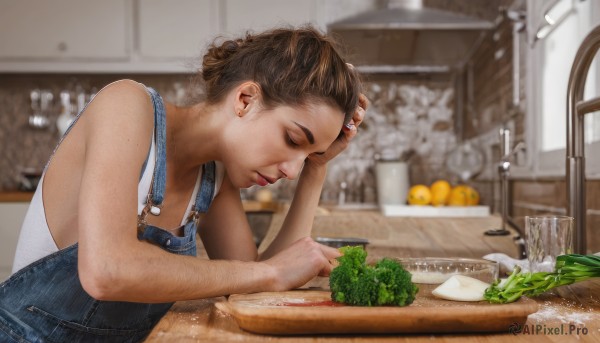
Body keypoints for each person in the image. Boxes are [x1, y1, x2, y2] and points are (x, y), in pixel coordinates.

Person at [0, 26, 366, 342]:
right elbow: (107, 270)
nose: (291, 169)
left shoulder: (216, 174)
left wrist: (317, 169)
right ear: (245, 99)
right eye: (292, 139)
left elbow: (254, 285)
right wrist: (269, 272)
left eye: (307, 155)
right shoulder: (126, 105)